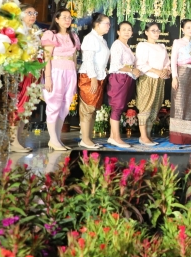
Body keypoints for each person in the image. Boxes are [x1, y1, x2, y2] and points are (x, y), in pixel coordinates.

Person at [41, 9, 80, 151]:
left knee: (65, 106)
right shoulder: (51, 35)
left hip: (70, 72)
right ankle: (52, 139)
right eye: (64, 17)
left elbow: (74, 58)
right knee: (54, 104)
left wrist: (74, 76)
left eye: (69, 17)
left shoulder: (73, 36)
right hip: (56, 72)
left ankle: (57, 139)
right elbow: (46, 58)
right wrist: (48, 78)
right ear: (56, 19)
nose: (67, 20)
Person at [12, 4, 43, 152]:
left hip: (34, 72)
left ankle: (18, 139)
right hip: (22, 71)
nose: (33, 16)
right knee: (19, 104)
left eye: (34, 13)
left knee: (28, 106)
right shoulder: (17, 30)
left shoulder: (35, 32)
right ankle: (13, 141)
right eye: (29, 13)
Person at [77, 13, 111, 150]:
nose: (108, 26)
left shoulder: (102, 39)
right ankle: (85, 140)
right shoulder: (90, 38)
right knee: (87, 109)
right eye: (106, 23)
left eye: (109, 23)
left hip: (99, 76)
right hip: (90, 77)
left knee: (93, 109)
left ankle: (89, 138)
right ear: (97, 24)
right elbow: (88, 60)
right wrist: (93, 78)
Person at [135, 22, 171, 146]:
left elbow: (167, 63)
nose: (156, 33)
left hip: (159, 80)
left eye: (158, 30)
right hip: (147, 79)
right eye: (153, 30)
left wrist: (166, 70)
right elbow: (140, 64)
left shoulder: (162, 46)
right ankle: (143, 136)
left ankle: (148, 135)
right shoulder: (142, 45)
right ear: (146, 32)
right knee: (145, 106)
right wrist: (157, 71)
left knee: (154, 108)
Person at [107, 21, 141, 148]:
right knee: (117, 107)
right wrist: (132, 69)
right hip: (118, 78)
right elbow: (116, 65)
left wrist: (134, 71)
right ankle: (116, 138)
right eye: (124, 29)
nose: (127, 32)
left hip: (127, 78)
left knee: (120, 107)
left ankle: (112, 137)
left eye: (129, 29)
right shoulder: (117, 45)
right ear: (118, 32)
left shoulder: (126, 46)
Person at [170, 19, 191, 145]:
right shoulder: (177, 42)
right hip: (182, 74)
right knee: (180, 104)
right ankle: (178, 137)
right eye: (188, 27)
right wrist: (174, 77)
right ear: (182, 29)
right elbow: (173, 60)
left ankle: (189, 136)